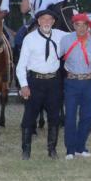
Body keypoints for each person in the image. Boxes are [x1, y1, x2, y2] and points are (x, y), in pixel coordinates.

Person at [17, 9, 68, 160]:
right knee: (29, 117)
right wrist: (24, 85)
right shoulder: (30, 39)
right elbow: (21, 65)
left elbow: (78, 35)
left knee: (54, 116)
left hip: (54, 81)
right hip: (35, 82)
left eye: (49, 19)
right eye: (43, 19)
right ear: (38, 21)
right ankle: (26, 151)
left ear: (53, 22)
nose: (46, 22)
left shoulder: (60, 35)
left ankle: (52, 150)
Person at [59, 13, 91, 159]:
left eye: (84, 25)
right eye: (78, 25)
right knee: (70, 116)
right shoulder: (65, 40)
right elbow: (56, 56)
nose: (81, 28)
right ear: (73, 25)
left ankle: (80, 147)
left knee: (88, 116)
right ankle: (70, 149)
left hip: (89, 82)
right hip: (71, 82)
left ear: (88, 26)